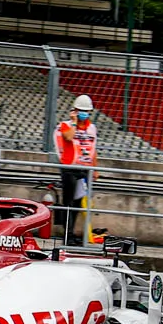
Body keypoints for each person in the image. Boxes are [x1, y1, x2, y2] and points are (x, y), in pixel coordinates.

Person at [53, 94, 99, 245]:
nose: (84, 114)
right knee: (69, 202)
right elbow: (68, 137)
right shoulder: (65, 125)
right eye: (81, 111)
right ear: (75, 111)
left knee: (78, 203)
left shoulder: (91, 128)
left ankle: (72, 233)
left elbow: (93, 149)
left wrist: (95, 168)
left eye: (86, 111)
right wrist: (74, 122)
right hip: (69, 169)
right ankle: (67, 235)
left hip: (84, 170)